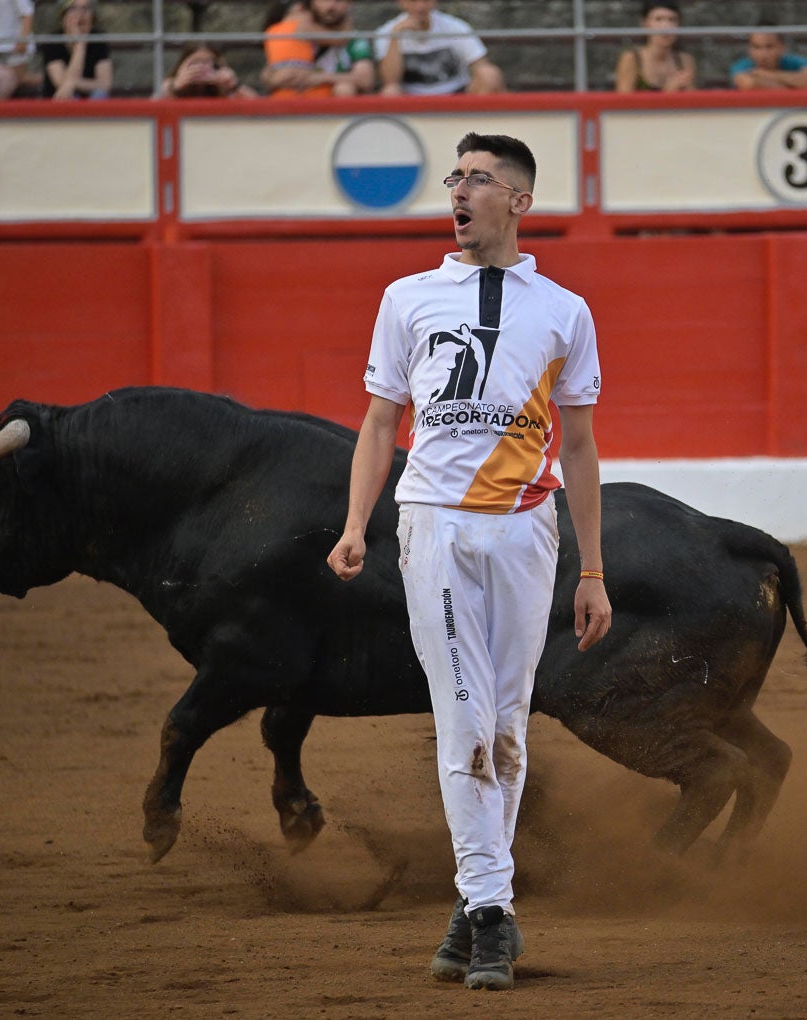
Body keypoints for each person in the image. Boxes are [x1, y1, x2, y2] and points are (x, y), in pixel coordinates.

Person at [327, 133, 610, 992]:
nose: (458, 190)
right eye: (455, 177)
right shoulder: (406, 297)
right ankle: (493, 915)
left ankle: (474, 904)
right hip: (436, 528)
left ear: (517, 202)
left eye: (477, 179)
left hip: (528, 531)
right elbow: (380, 422)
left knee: (506, 726)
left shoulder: (565, 309)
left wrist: (592, 568)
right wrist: (355, 525)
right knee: (462, 717)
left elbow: (583, 445)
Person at [374, 0, 505, 96]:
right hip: (411, 100)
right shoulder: (386, 32)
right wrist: (395, 38)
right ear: (401, 2)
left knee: (489, 74)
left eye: (425, 1)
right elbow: (390, 80)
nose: (420, 7)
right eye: (413, 1)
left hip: (457, 95)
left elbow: (481, 65)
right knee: (390, 92)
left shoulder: (455, 27)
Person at [261, 0, 374, 98]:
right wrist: (273, 79)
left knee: (344, 89)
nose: (331, 6)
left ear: (348, 4)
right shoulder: (295, 33)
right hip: (294, 103)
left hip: (331, 106)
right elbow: (270, 71)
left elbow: (365, 79)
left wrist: (319, 78)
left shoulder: (353, 39)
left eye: (339, 1)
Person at [614, 1, 696, 93]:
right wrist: (667, 92)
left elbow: (694, 102)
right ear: (645, 24)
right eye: (658, 19)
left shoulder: (684, 60)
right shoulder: (632, 59)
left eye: (672, 20)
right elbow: (622, 103)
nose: (666, 26)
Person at [42, 0, 112, 100]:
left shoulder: (98, 39)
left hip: (91, 100)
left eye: (85, 8)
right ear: (63, 16)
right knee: (69, 96)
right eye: (73, 8)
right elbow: (61, 84)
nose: (80, 14)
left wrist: (72, 82)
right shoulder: (53, 41)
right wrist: (80, 45)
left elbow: (105, 84)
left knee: (99, 94)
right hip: (59, 100)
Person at [730, 27, 807, 90]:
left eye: (769, 47)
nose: (763, 54)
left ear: (782, 48)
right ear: (749, 49)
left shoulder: (794, 61)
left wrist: (767, 75)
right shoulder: (742, 66)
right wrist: (797, 86)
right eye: (757, 47)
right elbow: (749, 84)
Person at [158, 41, 257, 98]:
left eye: (209, 62)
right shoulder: (171, 85)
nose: (203, 68)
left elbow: (257, 105)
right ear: (183, 64)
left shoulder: (224, 88)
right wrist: (176, 87)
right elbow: (154, 105)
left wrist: (234, 86)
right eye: (196, 62)